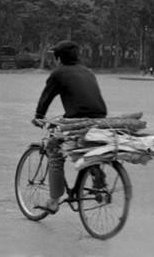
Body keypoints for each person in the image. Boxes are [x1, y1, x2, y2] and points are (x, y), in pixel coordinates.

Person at [32, 40, 108, 214]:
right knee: (84, 147)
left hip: (77, 119)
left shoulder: (59, 73)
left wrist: (39, 117)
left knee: (54, 148)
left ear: (59, 58)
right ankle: (94, 170)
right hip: (100, 117)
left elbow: (46, 98)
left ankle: (53, 201)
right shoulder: (88, 72)